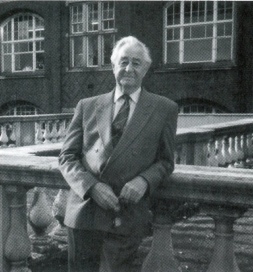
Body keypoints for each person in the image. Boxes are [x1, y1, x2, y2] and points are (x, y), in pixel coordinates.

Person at [58, 36, 178, 272]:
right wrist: (91, 186)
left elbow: (165, 161)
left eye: (136, 63)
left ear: (146, 69)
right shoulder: (87, 106)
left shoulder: (164, 108)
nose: (129, 69)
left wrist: (144, 180)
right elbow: (67, 157)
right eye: (123, 62)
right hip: (84, 214)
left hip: (125, 214)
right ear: (113, 66)